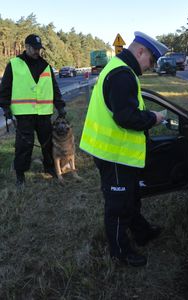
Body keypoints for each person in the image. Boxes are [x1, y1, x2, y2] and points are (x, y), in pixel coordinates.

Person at [79, 31, 168, 267]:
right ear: (140, 51)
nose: (150, 66)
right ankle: (120, 252)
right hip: (114, 154)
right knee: (118, 205)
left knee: (130, 197)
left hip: (117, 152)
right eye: (151, 60)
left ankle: (142, 232)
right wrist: (154, 117)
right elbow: (126, 117)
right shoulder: (122, 75)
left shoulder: (120, 69)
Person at [0, 34, 66, 187]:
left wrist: (60, 106)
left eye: (39, 49)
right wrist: (5, 107)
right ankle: (20, 175)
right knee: (24, 146)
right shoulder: (14, 64)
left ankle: (50, 169)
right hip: (24, 114)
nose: (38, 51)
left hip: (44, 113)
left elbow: (54, 88)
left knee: (48, 144)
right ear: (27, 47)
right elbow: (5, 88)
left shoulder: (46, 66)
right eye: (35, 48)